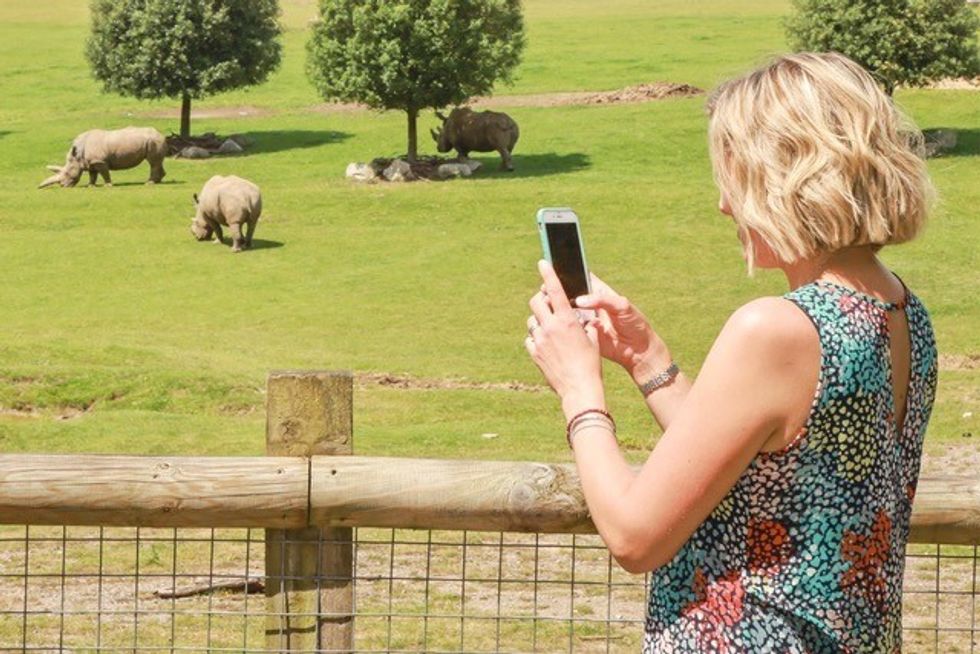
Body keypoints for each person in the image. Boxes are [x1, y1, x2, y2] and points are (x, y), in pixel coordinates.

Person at [524, 52, 938, 652]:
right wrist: (647, 359)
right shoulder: (903, 312)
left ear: (791, 176)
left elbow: (635, 537)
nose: (724, 204)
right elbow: (766, 473)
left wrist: (580, 390)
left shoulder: (774, 329)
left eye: (736, 176)